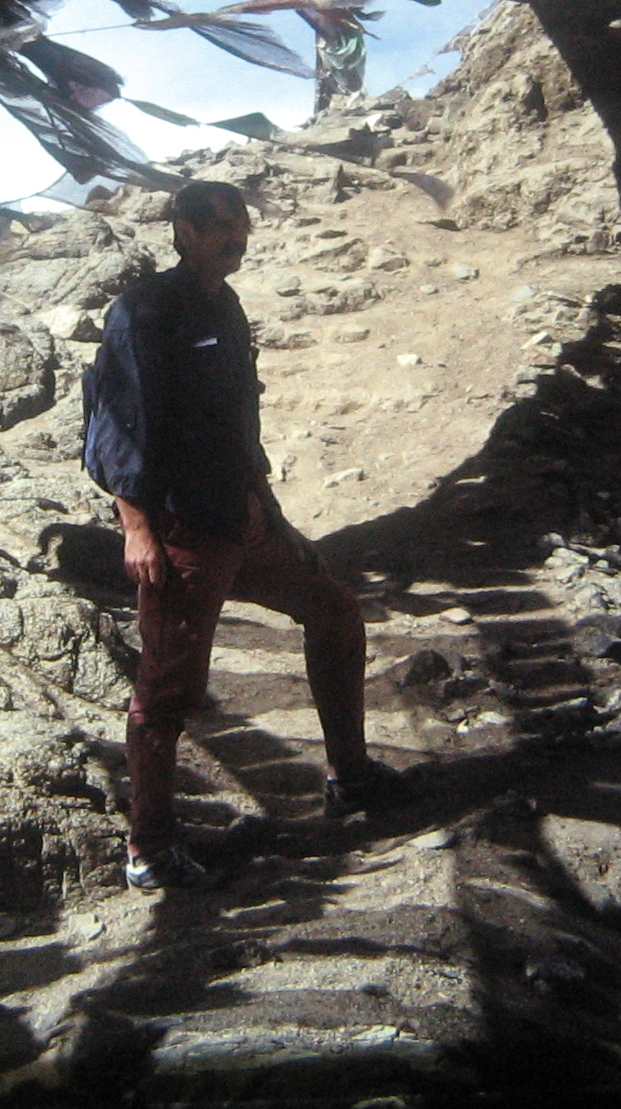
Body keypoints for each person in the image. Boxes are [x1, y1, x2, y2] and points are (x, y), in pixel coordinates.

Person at [82, 179, 421, 890]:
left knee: (335, 612)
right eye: (220, 226)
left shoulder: (226, 306)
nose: (236, 239)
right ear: (184, 231)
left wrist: (276, 516)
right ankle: (149, 848)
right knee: (167, 691)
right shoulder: (144, 310)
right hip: (182, 529)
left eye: (241, 226)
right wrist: (136, 527)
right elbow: (116, 421)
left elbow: (242, 424)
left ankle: (351, 775)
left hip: (243, 516)